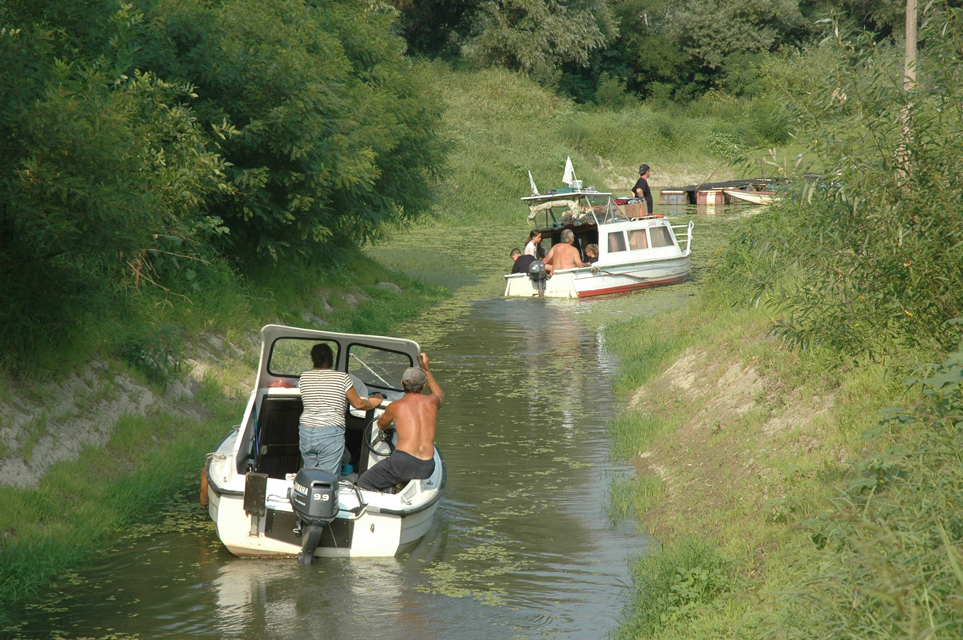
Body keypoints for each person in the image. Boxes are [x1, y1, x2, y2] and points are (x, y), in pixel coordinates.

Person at [358, 352, 443, 492]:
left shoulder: (395, 406)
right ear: (423, 387)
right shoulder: (432, 402)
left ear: (402, 383)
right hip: (427, 466)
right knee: (401, 475)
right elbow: (439, 394)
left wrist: (383, 419)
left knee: (365, 481)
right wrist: (427, 370)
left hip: (402, 463)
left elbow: (381, 425)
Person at [299, 344, 384, 474]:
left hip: (306, 431)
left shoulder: (304, 377)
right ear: (331, 360)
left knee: (310, 473)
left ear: (313, 360)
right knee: (327, 478)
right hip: (329, 431)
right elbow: (358, 404)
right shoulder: (342, 378)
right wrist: (372, 403)